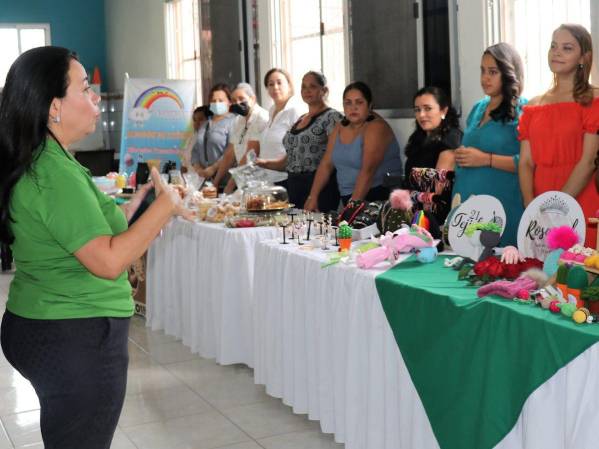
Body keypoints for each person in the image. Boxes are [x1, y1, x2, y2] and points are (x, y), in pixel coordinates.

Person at [0, 47, 188, 449]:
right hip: (74, 335)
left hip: (49, 322)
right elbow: (108, 260)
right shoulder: (54, 173)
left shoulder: (49, 159)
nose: (96, 98)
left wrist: (136, 206)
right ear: (54, 107)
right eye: (85, 89)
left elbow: (83, 229)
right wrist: (167, 207)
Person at [519, 24, 599, 248]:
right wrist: (530, 203)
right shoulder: (534, 105)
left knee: (579, 274)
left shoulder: (594, 99)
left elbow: (589, 161)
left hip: (581, 197)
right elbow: (526, 162)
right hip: (540, 202)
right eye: (553, 46)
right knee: (541, 273)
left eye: (567, 48)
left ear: (584, 57)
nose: (556, 52)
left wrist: (558, 206)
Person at [452, 43, 526, 245]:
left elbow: (528, 163)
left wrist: (486, 159)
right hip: (468, 208)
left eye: (492, 72)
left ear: (509, 73)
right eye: (482, 71)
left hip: (502, 207)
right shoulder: (478, 108)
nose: (485, 78)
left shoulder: (523, 110)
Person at [304, 81, 402, 210]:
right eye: (348, 103)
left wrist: (351, 210)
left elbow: (368, 171)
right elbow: (326, 164)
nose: (353, 107)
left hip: (378, 197)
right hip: (350, 197)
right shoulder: (339, 127)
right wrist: (313, 197)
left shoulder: (376, 127)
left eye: (359, 102)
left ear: (369, 105)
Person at [256, 71, 342, 212]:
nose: (307, 91)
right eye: (304, 87)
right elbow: (288, 160)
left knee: (317, 231)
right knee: (294, 231)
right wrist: (261, 163)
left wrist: (313, 196)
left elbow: (329, 162)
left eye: (312, 86)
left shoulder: (332, 117)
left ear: (324, 90)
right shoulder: (301, 119)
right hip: (294, 185)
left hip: (319, 187)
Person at [403, 86, 461, 224]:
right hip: (414, 212)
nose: (421, 115)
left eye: (427, 108)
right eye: (417, 110)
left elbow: (435, 194)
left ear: (443, 110)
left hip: (436, 219)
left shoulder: (450, 140)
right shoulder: (418, 138)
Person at [212, 83, 269, 193]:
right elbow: (230, 154)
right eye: (233, 100)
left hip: (259, 181)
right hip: (243, 180)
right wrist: (215, 182)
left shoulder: (261, 117)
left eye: (241, 98)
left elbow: (250, 154)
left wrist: (230, 185)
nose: (237, 103)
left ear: (252, 98)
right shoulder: (239, 120)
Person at [255, 68, 306, 185]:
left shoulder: (295, 110)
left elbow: (299, 148)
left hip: (286, 178)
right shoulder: (271, 110)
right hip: (268, 179)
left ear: (289, 85)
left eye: (279, 82)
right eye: (270, 84)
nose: (275, 87)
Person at [191, 83, 236, 180]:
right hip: (203, 179)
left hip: (224, 179)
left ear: (229, 102)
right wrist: (198, 169)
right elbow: (195, 151)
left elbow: (231, 152)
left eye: (221, 100)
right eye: (213, 101)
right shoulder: (205, 124)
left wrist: (213, 168)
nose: (217, 103)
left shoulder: (234, 122)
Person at [179, 105, 209, 172]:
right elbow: (184, 165)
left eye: (201, 119)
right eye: (195, 120)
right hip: (190, 180)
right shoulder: (192, 138)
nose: (197, 123)